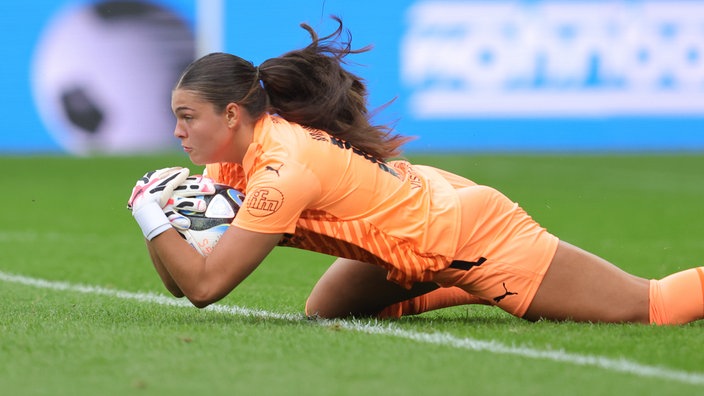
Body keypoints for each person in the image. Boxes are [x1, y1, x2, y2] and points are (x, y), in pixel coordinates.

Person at [127, 17, 704, 325]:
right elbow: (183, 279)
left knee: (653, 307)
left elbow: (205, 288)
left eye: (187, 117)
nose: (177, 132)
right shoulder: (235, 158)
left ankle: (491, 281)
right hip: (418, 217)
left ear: (232, 114)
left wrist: (151, 215)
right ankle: (463, 284)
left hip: (472, 233)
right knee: (323, 313)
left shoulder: (281, 172)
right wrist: (166, 222)